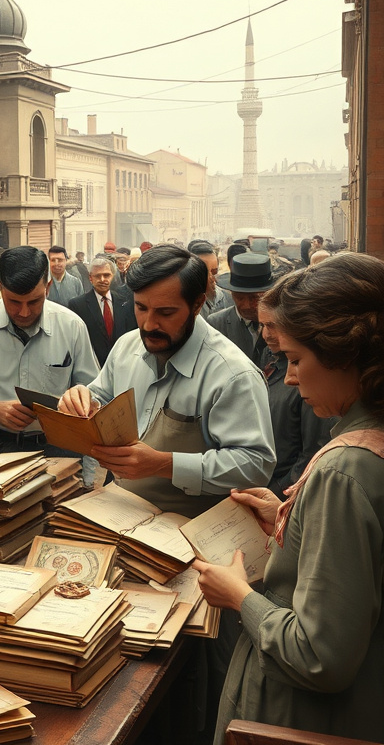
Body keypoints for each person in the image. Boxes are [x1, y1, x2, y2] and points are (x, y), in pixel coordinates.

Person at [194, 255, 384, 745]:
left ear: (345, 356)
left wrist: (239, 596)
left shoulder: (344, 473)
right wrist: (290, 524)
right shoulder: (365, 443)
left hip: (300, 718)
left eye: (297, 361)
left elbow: (319, 655)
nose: (292, 379)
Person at [60, 245, 274, 517]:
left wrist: (165, 465)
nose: (149, 324)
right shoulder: (127, 347)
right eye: (141, 308)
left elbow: (255, 466)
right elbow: (100, 395)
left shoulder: (233, 374)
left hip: (189, 532)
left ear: (197, 304)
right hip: (117, 512)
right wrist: (82, 399)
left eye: (166, 312)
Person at [0, 246, 100, 454]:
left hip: (59, 445)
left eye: (34, 301)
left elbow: (95, 390)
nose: (24, 312)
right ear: (0, 288)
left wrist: (81, 397)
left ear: (48, 287)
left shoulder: (71, 326)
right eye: (14, 302)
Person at [256, 300, 333, 497]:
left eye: (272, 326)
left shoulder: (309, 376)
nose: (266, 335)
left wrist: (278, 492)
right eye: (262, 325)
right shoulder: (269, 355)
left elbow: (312, 452)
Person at [67, 256, 137, 366]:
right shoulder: (78, 305)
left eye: (106, 275)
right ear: (90, 278)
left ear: (112, 276)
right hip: (92, 367)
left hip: (122, 364)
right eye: (98, 276)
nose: (102, 279)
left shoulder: (125, 303)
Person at [207, 252, 273, 361]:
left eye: (254, 298)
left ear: (267, 293)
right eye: (239, 298)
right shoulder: (217, 324)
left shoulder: (282, 322)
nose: (246, 306)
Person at [188, 240, 231, 318]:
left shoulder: (229, 299)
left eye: (214, 272)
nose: (211, 278)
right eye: (205, 273)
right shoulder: (185, 304)